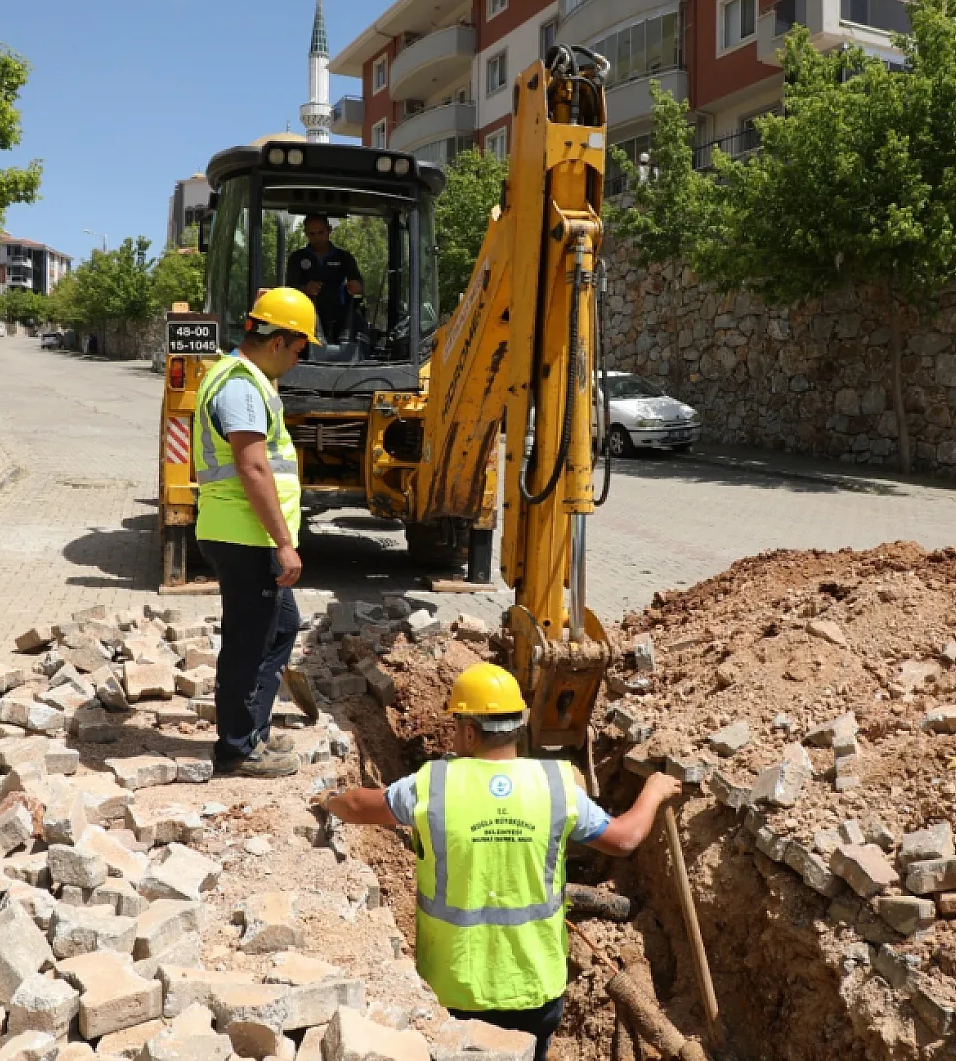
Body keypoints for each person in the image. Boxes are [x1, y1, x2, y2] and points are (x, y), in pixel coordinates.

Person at [316, 663, 683, 1059]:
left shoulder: (433, 783)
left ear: (470, 732)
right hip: (534, 987)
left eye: (457, 725)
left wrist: (326, 799)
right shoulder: (557, 785)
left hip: (455, 987)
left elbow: (356, 805)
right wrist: (654, 792)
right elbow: (625, 838)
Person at [191, 287, 322, 779]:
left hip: (245, 534)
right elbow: (253, 468)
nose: (299, 357)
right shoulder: (241, 387)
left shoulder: (245, 379)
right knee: (248, 641)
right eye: (298, 347)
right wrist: (285, 543)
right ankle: (237, 749)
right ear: (277, 340)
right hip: (244, 536)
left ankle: (253, 730)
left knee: (281, 626)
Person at [286, 213, 364, 344]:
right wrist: (305, 289)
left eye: (320, 232)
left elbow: (359, 285)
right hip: (306, 317)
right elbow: (289, 290)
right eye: (312, 234)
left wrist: (355, 287)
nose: (317, 238)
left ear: (329, 231)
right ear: (306, 234)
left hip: (341, 316)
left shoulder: (344, 257)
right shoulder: (296, 258)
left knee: (359, 328)